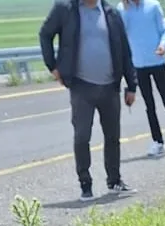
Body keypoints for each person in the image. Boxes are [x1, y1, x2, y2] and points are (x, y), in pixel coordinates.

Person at [40, 0, 138, 200]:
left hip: (110, 86)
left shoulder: (111, 13)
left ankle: (114, 180)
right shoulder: (65, 9)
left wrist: (132, 85)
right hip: (81, 86)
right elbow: (45, 34)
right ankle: (85, 183)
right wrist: (53, 67)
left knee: (112, 137)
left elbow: (125, 51)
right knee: (82, 136)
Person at [118, 0, 165, 157]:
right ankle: (157, 142)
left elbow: (163, 30)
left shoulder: (153, 5)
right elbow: (122, 36)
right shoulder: (122, 9)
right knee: (149, 106)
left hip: (157, 61)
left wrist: (163, 45)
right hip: (138, 64)